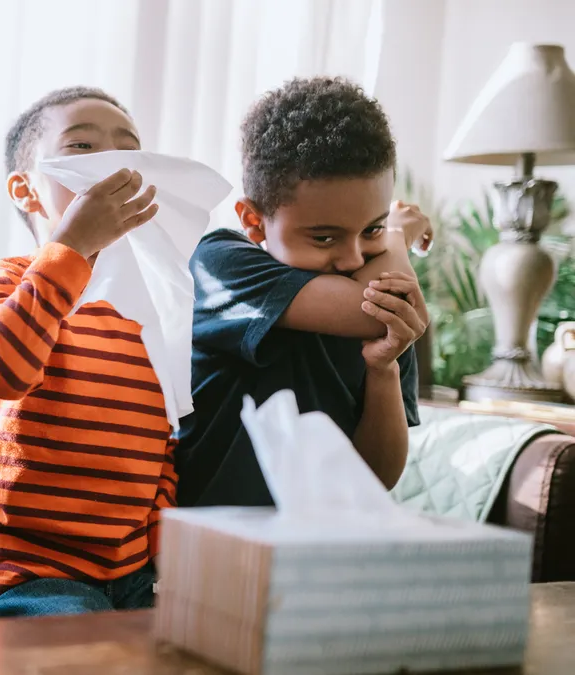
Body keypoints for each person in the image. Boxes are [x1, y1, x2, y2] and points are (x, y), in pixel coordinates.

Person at [0, 86, 178, 619]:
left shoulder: (147, 311)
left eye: (129, 148)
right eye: (82, 147)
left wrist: (165, 554)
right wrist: (71, 248)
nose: (112, 161)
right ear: (26, 189)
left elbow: (166, 441)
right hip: (25, 572)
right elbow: (1, 371)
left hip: (130, 575)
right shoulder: (10, 281)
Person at [176, 76, 429, 507]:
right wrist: (395, 236)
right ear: (254, 222)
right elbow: (374, 311)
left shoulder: (386, 314)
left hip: (316, 547)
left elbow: (376, 477)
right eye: (325, 238)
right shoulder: (220, 261)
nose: (353, 259)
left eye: (371, 229)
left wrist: (384, 370)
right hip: (209, 548)